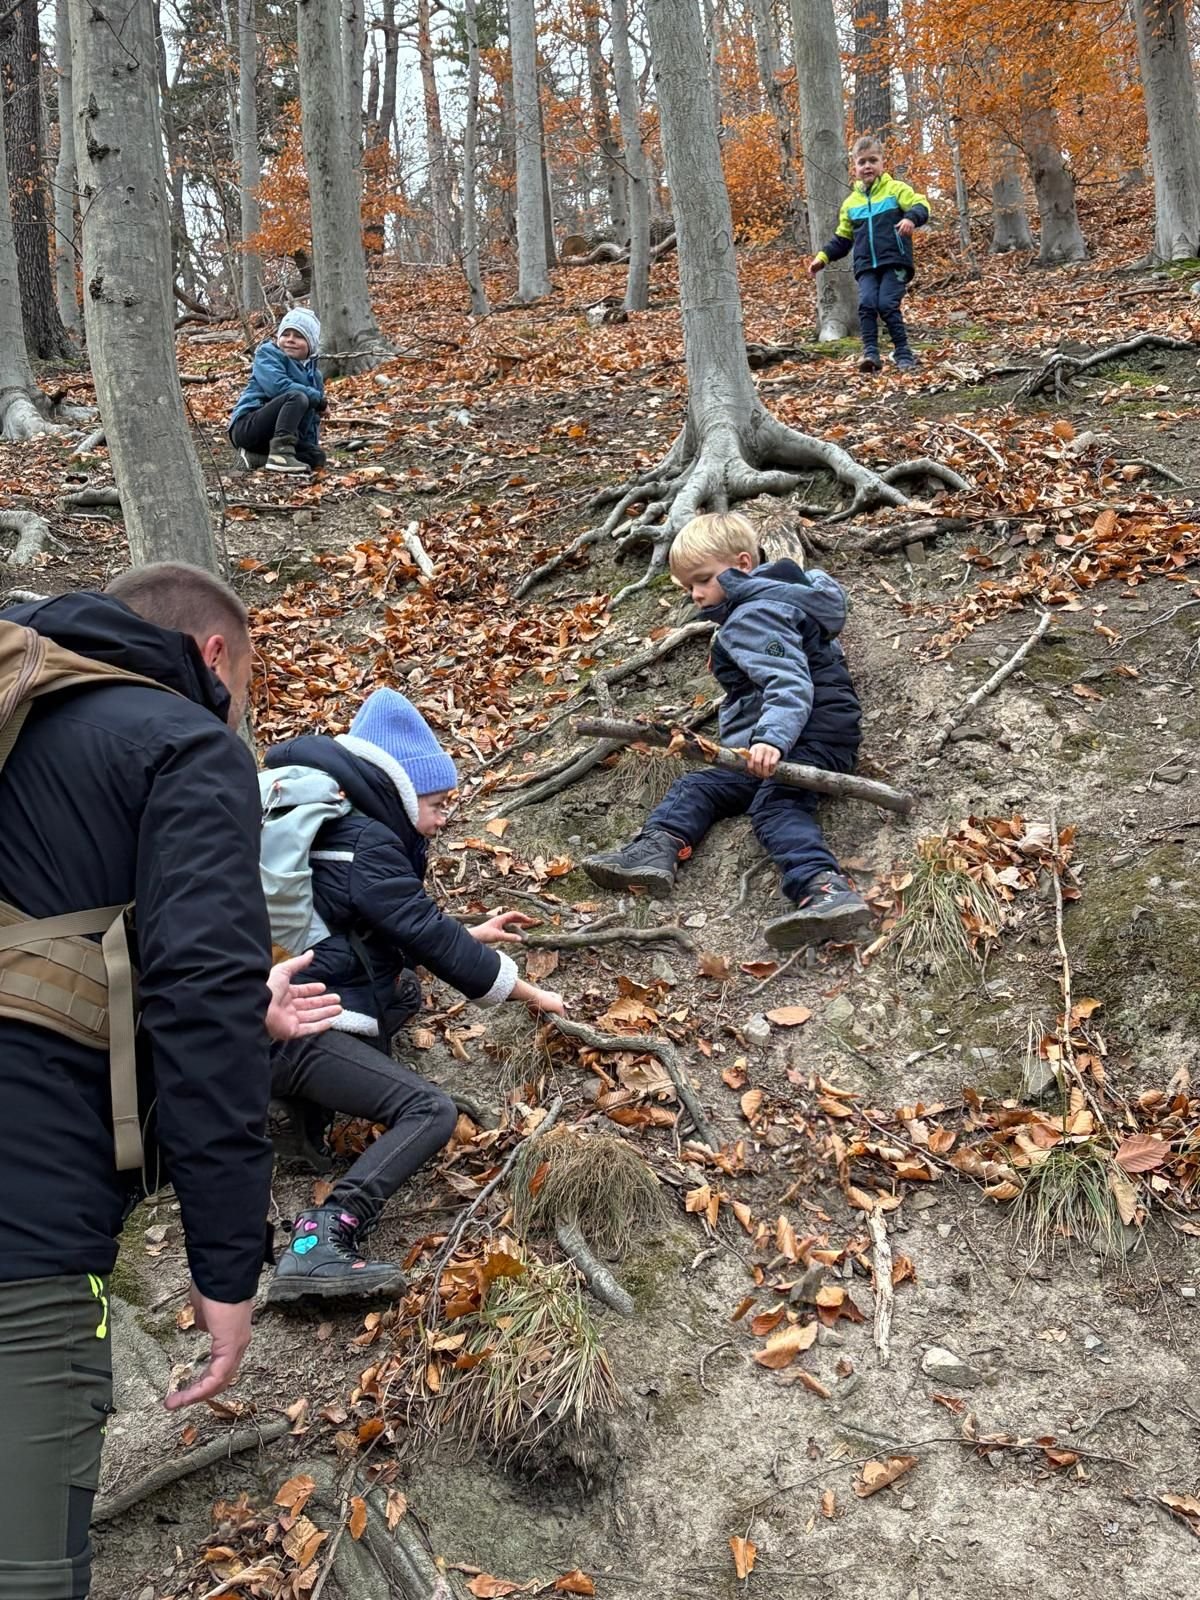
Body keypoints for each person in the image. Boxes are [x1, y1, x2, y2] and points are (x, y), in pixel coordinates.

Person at [0, 563, 335, 1598]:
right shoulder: (183, 744)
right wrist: (228, 1266)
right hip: (25, 1223)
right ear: (214, 656)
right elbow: (197, 999)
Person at [260, 688, 566, 1303]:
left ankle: (300, 1125)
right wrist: (528, 991)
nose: (444, 816)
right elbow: (423, 934)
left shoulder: (328, 821)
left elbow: (370, 926)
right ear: (398, 788)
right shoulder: (368, 839)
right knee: (431, 1110)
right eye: (436, 803)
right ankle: (321, 1237)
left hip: (261, 1011)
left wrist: (469, 933)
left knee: (398, 992)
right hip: (293, 1029)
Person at [582, 513, 872, 950]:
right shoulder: (774, 604)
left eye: (702, 581)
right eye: (688, 588)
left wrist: (770, 740)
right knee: (701, 787)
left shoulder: (754, 615)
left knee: (776, 807)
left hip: (808, 739)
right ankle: (657, 850)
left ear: (741, 564)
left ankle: (825, 888)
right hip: (797, 737)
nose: (697, 595)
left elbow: (788, 681)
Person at [808, 135, 930, 374]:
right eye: (862, 162)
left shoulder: (896, 190)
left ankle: (904, 353)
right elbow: (843, 239)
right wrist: (822, 257)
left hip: (895, 261)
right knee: (866, 305)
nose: (867, 166)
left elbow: (921, 204)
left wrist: (910, 218)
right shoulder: (851, 204)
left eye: (873, 160)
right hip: (865, 266)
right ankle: (871, 354)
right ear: (855, 166)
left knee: (886, 304)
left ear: (882, 163)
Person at [228, 307, 327, 474]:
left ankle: (256, 458)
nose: (290, 340)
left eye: (299, 336)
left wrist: (310, 445)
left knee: (316, 456)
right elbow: (278, 387)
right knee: (297, 397)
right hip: (249, 427)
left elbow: (311, 419)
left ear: (311, 345)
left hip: (277, 436)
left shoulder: (314, 376)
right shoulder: (268, 354)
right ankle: (280, 455)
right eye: (285, 334)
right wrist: (319, 401)